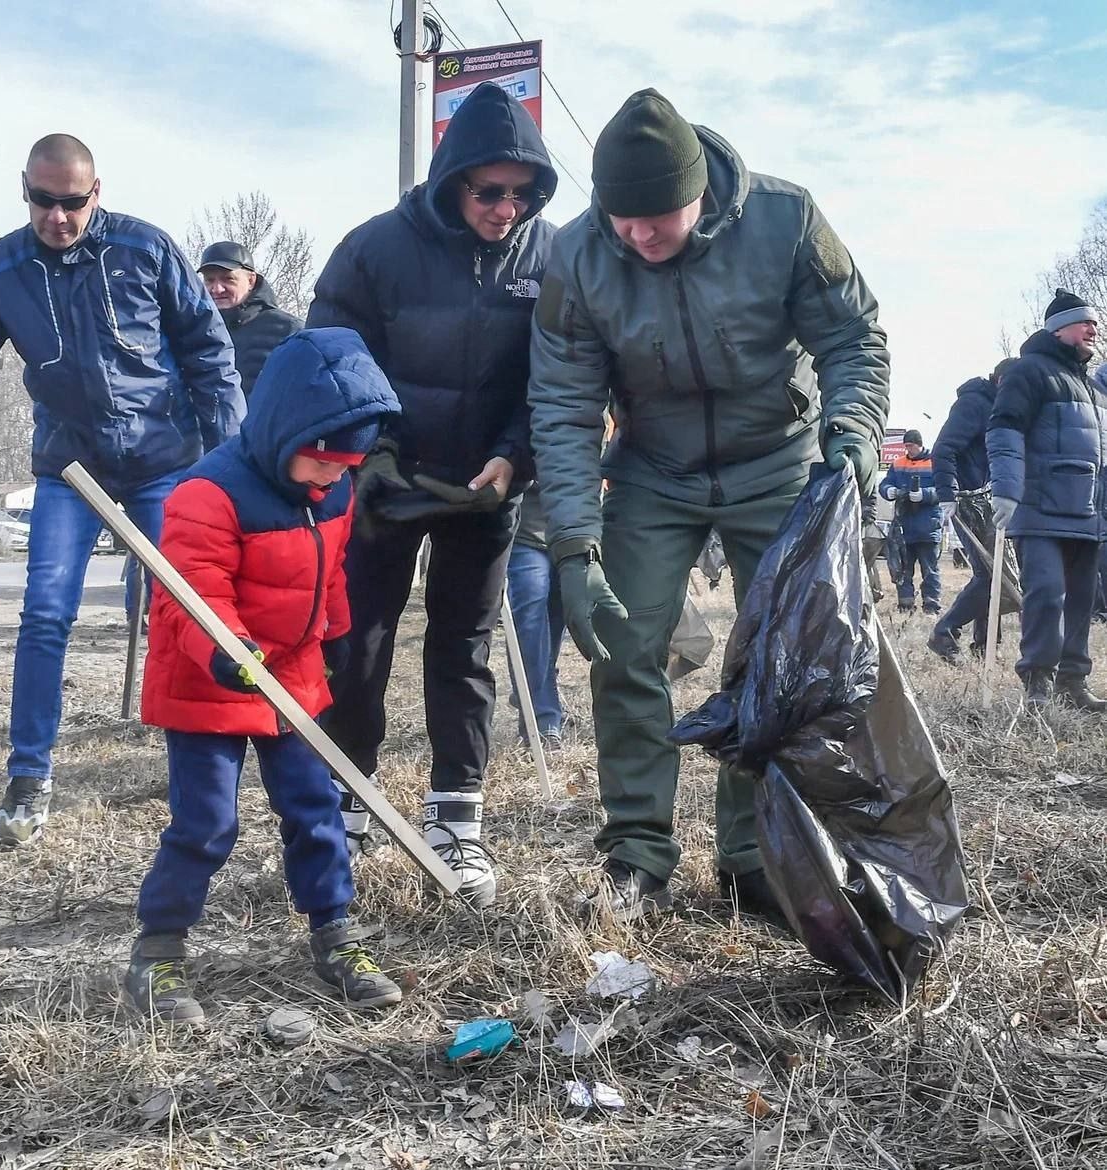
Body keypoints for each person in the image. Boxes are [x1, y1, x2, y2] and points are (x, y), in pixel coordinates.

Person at [528, 88, 889, 922]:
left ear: (703, 191)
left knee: (783, 658)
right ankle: (637, 853)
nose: (640, 236)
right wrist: (576, 542)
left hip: (780, 459)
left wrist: (856, 432)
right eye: (623, 219)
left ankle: (754, 854)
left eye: (660, 217)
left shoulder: (786, 219)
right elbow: (563, 405)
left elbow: (853, 338)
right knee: (624, 645)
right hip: (655, 470)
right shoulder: (579, 259)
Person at [0, 133, 245, 847]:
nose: (58, 216)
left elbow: (206, 347)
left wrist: (231, 457)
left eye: (72, 202)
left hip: (165, 460)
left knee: (185, 609)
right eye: (44, 201)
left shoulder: (145, 248)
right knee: (44, 614)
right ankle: (29, 776)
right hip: (68, 471)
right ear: (25, 191)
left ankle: (200, 762)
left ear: (96, 191)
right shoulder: (0, 268)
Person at [305, 82, 558, 906]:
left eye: (522, 194)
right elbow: (332, 354)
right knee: (360, 643)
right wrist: (370, 450)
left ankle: (457, 818)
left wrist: (516, 458)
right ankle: (349, 796)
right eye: (490, 192)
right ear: (453, 180)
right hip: (388, 482)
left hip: (488, 488)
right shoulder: (376, 248)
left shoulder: (550, 258)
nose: (506, 209)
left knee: (464, 647)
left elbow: (557, 374)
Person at [126, 328, 402, 1024]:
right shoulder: (206, 493)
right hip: (210, 682)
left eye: (347, 467)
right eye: (322, 465)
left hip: (293, 679)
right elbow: (192, 594)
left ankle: (335, 935)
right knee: (207, 823)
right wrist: (230, 650)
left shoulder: (334, 493)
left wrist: (336, 633)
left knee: (316, 811)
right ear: (287, 432)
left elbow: (329, 572)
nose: (333, 479)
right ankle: (157, 954)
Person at [988, 289, 1107, 712]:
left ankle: (1073, 682)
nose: (1093, 328)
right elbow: (1004, 429)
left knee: (1081, 600)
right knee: (1047, 594)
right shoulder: (1029, 372)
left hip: (1087, 513)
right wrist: (1005, 487)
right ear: (1058, 329)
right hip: (1039, 508)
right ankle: (1037, 682)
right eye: (1084, 322)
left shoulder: (1092, 389)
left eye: (1094, 322)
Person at [928, 360, 1019, 660]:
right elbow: (943, 448)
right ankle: (945, 631)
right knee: (990, 575)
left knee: (995, 575)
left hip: (986, 495)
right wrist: (947, 495)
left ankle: (985, 643)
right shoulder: (973, 404)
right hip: (968, 499)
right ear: (1001, 380)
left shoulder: (999, 405)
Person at [198, 241, 303, 398]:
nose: (217, 289)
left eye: (228, 279)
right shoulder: (195, 331)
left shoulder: (288, 330)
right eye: (209, 280)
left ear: (251, 281)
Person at [505, 481, 566, 747]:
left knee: (555, 624)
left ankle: (529, 691)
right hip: (525, 528)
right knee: (529, 620)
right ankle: (544, 719)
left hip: (573, 533)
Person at [878, 429, 942, 613]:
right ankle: (905, 606)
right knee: (904, 571)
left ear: (919, 444)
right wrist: (888, 490)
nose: (908, 450)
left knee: (929, 571)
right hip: (904, 529)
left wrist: (924, 495)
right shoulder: (898, 464)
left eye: (911, 446)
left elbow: (945, 489)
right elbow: (885, 483)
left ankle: (931, 606)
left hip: (927, 528)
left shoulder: (935, 462)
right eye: (905, 446)